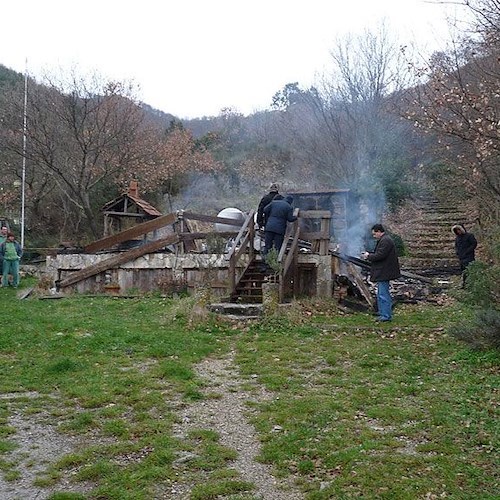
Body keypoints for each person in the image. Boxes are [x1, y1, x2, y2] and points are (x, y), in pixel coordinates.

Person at [362, 224, 401, 322]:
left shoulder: (386, 241)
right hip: (384, 271)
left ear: (379, 231)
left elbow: (380, 255)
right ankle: (383, 313)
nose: (374, 236)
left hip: (385, 271)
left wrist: (368, 256)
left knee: (383, 294)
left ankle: (386, 315)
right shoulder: (385, 240)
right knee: (381, 294)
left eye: (374, 234)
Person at [262, 195, 297, 269]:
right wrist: (295, 217)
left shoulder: (274, 202)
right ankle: (275, 265)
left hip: (269, 227)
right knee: (278, 247)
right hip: (280, 229)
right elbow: (290, 219)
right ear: (290, 202)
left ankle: (264, 265)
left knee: (267, 246)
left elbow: (265, 209)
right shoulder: (289, 207)